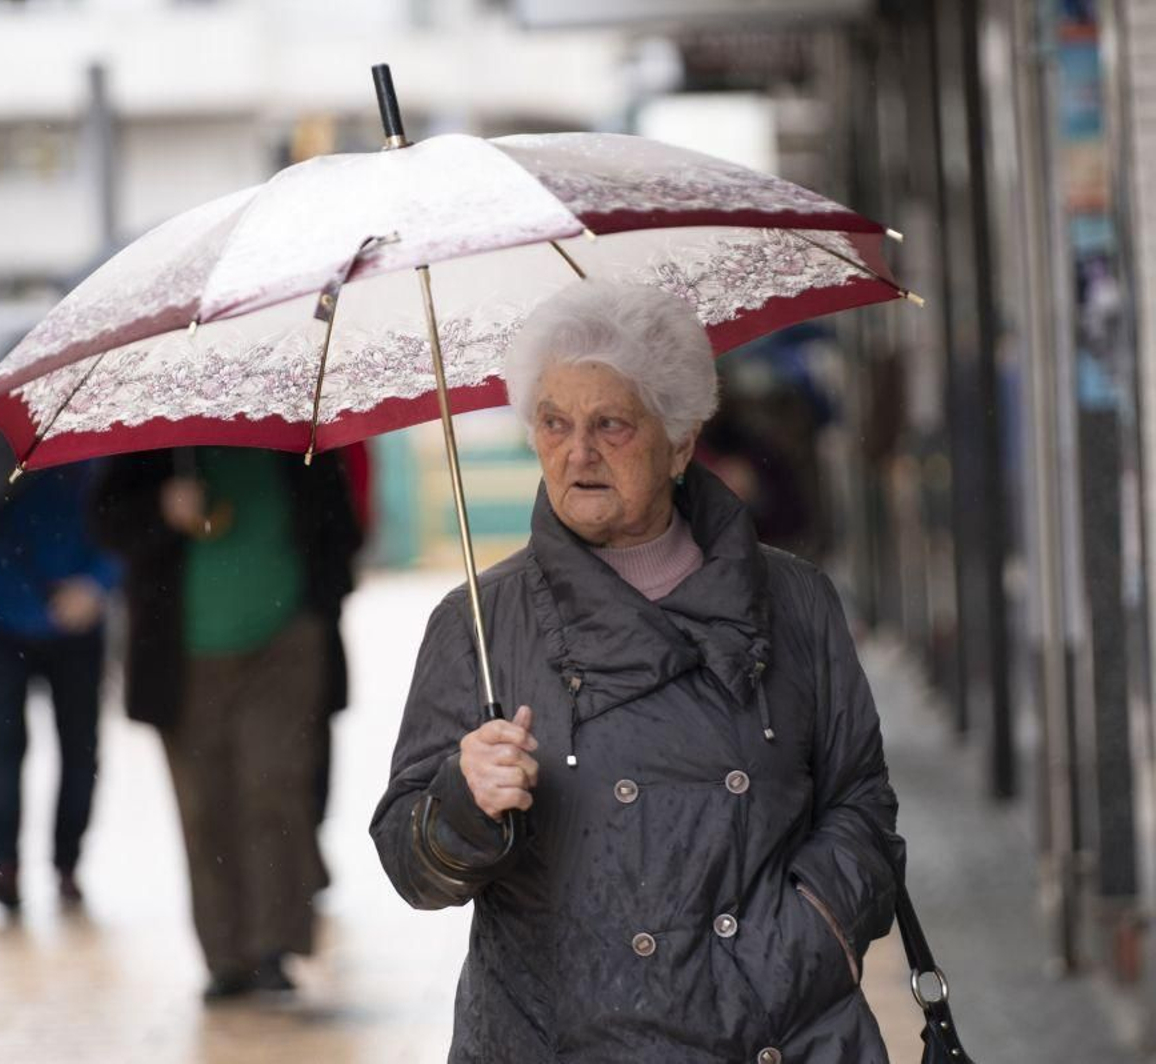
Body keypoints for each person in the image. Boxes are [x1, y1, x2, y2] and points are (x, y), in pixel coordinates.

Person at [371, 280, 905, 1062]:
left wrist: (807, 938)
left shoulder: (795, 601)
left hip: (776, 1035)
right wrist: (463, 800)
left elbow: (860, 802)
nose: (577, 452)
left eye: (610, 424)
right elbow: (411, 865)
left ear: (681, 441)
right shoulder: (480, 623)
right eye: (553, 423)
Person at [97, 446, 361, 1003]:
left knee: (275, 787)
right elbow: (105, 519)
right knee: (205, 804)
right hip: (184, 653)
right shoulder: (153, 432)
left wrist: (322, 596)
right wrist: (161, 509)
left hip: (286, 640)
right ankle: (226, 955)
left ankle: (274, 946)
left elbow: (341, 524)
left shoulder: (292, 425)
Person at [0, 463, 119, 912]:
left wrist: (96, 584)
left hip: (20, 617)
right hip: (8, 619)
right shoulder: (89, 450)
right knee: (43, 750)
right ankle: (33, 865)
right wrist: (95, 582)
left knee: (33, 750)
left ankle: (25, 864)